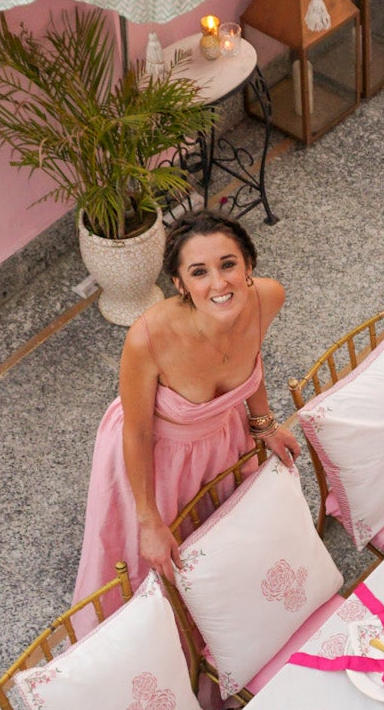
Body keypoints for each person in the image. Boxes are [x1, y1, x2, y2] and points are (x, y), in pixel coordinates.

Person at [74, 210, 299, 602]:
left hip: (223, 439)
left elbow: (252, 358)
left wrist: (263, 425)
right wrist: (148, 520)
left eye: (228, 264)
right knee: (162, 560)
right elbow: (138, 431)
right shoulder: (148, 339)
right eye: (199, 272)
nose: (219, 283)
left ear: (249, 265)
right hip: (157, 456)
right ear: (179, 284)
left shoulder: (267, 297)